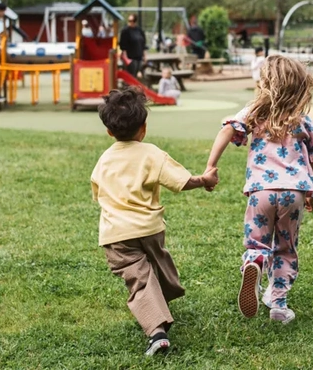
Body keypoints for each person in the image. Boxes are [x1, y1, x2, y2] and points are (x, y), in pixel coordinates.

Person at [204, 56, 313, 324]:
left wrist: (210, 166)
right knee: (285, 247)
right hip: (294, 193)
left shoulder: (254, 113)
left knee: (257, 241)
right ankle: (279, 306)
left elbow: (227, 132)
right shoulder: (304, 122)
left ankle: (255, 262)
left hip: (260, 191)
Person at [91, 88, 218, 356]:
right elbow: (181, 181)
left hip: (116, 234)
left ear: (110, 132)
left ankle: (156, 328)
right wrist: (204, 180)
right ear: (144, 128)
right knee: (157, 262)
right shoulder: (151, 154)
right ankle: (160, 312)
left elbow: (97, 193)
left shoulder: (104, 160)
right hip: (150, 228)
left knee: (138, 277)